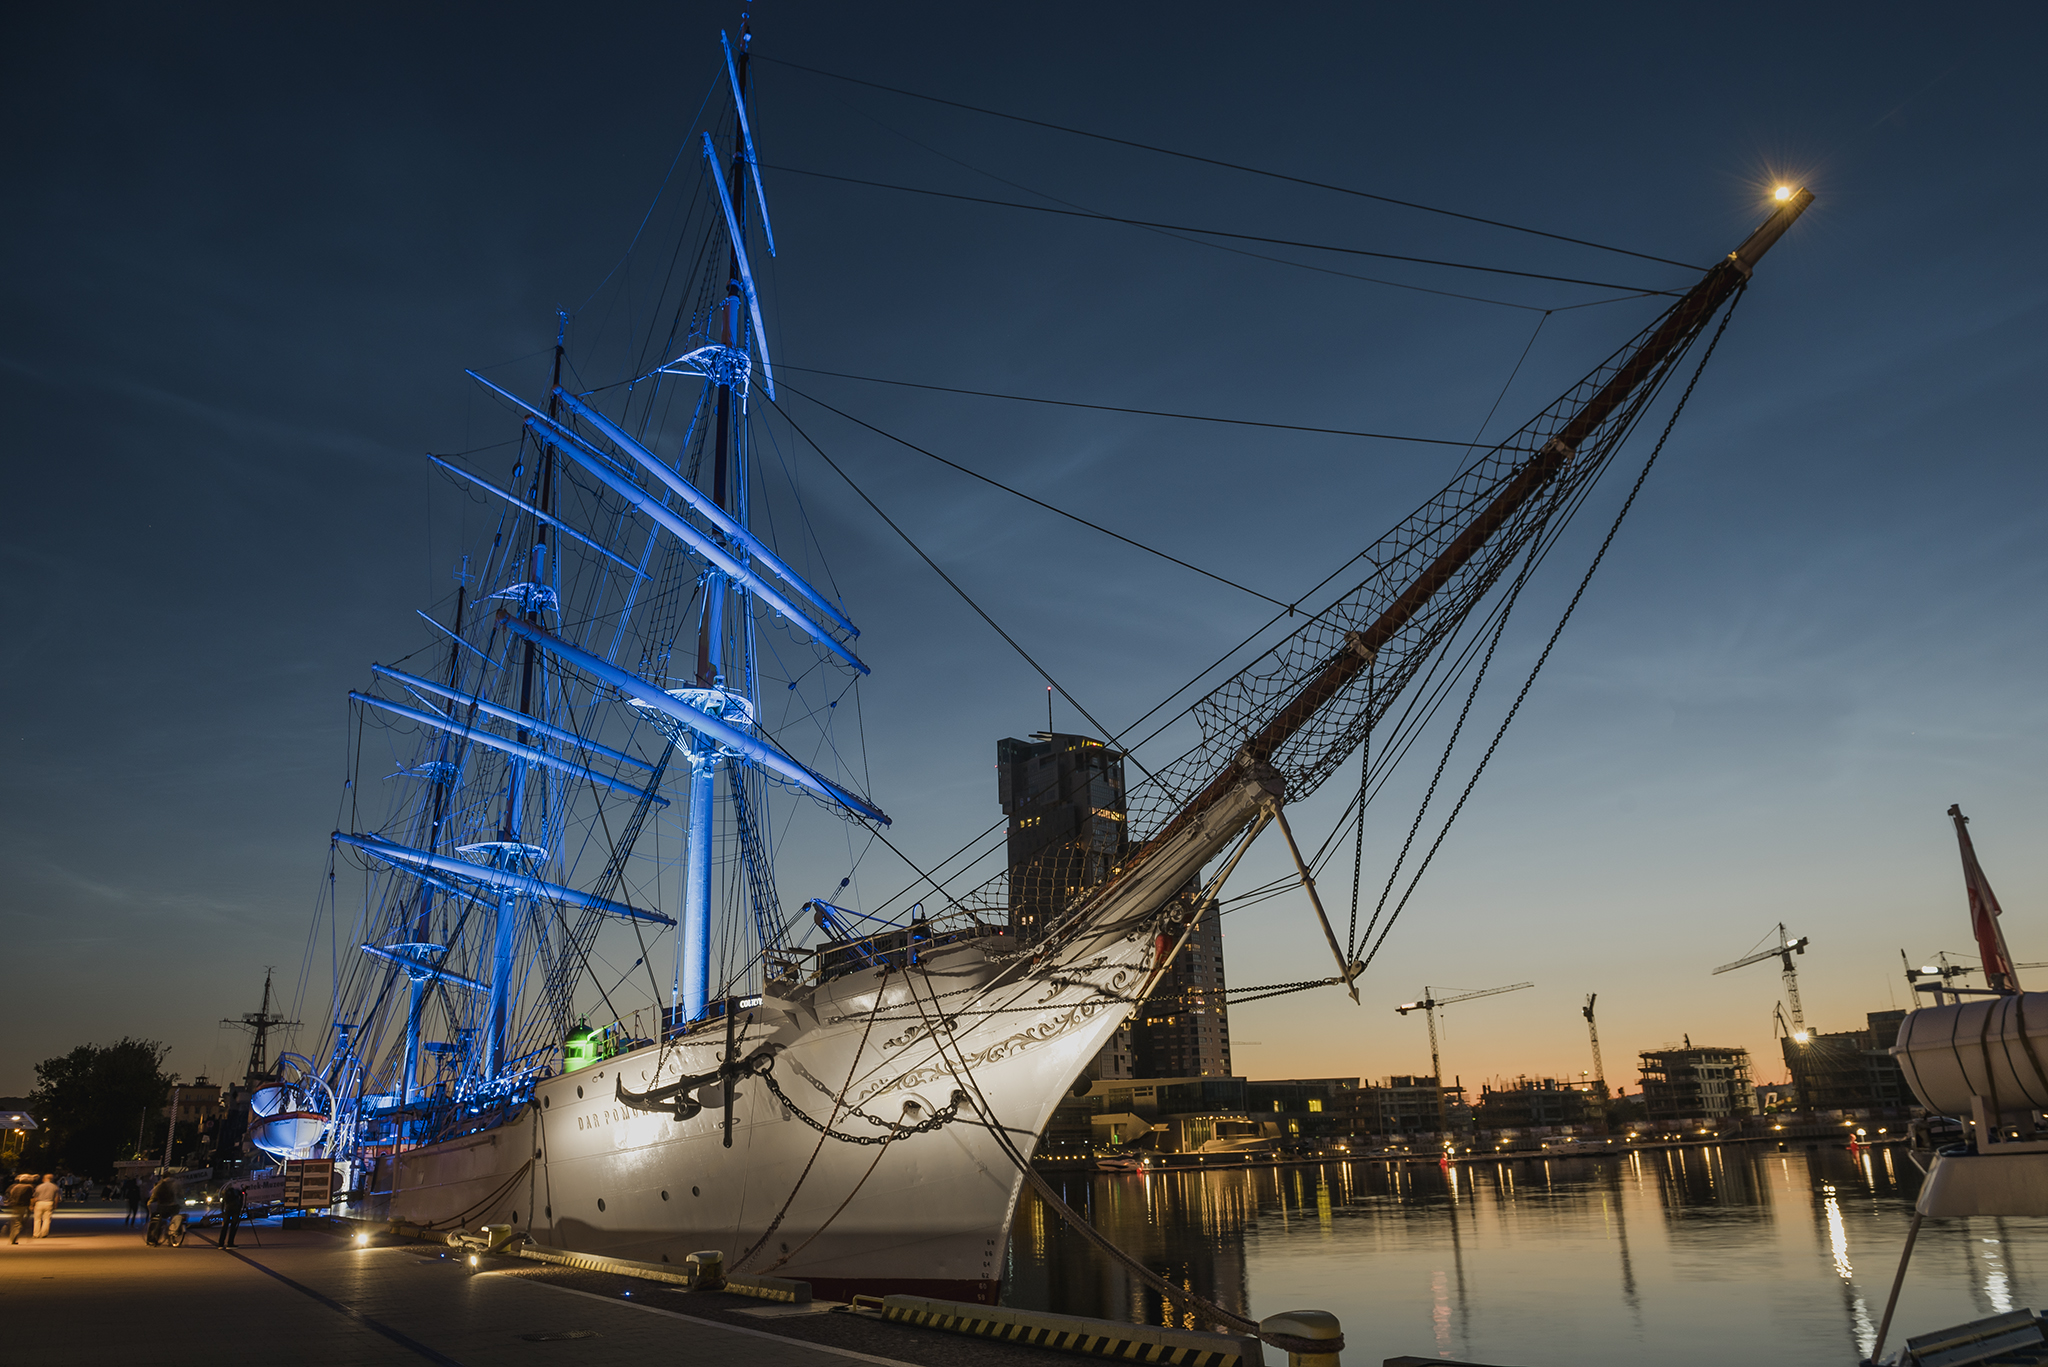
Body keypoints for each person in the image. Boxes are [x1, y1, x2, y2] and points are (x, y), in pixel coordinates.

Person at [144, 1176, 179, 1246]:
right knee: (156, 1222)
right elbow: (158, 1197)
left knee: (167, 1219)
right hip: (154, 1205)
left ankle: (168, 1237)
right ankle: (152, 1239)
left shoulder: (170, 1187)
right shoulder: (161, 1187)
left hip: (163, 1205)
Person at [5, 1174, 32, 1244]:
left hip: (14, 1205)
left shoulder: (14, 1186)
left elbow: (7, 1193)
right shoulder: (29, 1187)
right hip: (22, 1206)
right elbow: (31, 1197)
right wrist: (31, 1206)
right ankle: (13, 1238)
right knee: (19, 1222)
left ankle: (12, 1236)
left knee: (14, 1221)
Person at [218, 1182, 246, 1250]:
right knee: (233, 1226)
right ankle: (230, 1243)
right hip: (235, 1210)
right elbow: (241, 1200)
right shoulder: (238, 1192)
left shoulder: (226, 1192)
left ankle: (221, 1244)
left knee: (225, 1226)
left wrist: (222, 1211)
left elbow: (223, 1203)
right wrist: (240, 1208)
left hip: (227, 1209)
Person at [32, 1173, 58, 1239]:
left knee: (37, 1219)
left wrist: (32, 1205)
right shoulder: (54, 1187)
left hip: (39, 1203)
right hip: (49, 1203)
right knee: (46, 1219)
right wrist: (55, 1205)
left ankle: (36, 1234)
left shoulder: (39, 1186)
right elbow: (56, 1197)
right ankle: (44, 1233)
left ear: (44, 1179)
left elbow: (35, 1196)